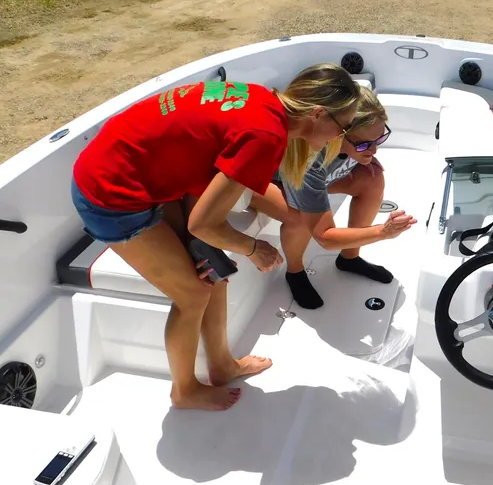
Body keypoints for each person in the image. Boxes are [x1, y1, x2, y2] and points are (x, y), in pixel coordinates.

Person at [70, 63, 362, 411]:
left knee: (213, 271)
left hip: (140, 172)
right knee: (192, 295)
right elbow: (202, 225)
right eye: (342, 127)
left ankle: (222, 365)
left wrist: (215, 248)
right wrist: (254, 248)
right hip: (110, 194)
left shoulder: (259, 97)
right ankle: (184, 391)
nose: (338, 138)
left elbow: (201, 166)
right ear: (317, 114)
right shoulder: (266, 136)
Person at [246, 86, 416, 309]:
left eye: (380, 138)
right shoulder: (310, 161)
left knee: (371, 178)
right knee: (299, 217)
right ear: (338, 133)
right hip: (258, 182)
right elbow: (325, 238)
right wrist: (381, 232)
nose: (374, 150)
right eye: (365, 144)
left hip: (309, 178)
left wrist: (363, 154)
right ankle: (295, 272)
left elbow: (362, 146)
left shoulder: (356, 144)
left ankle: (350, 258)